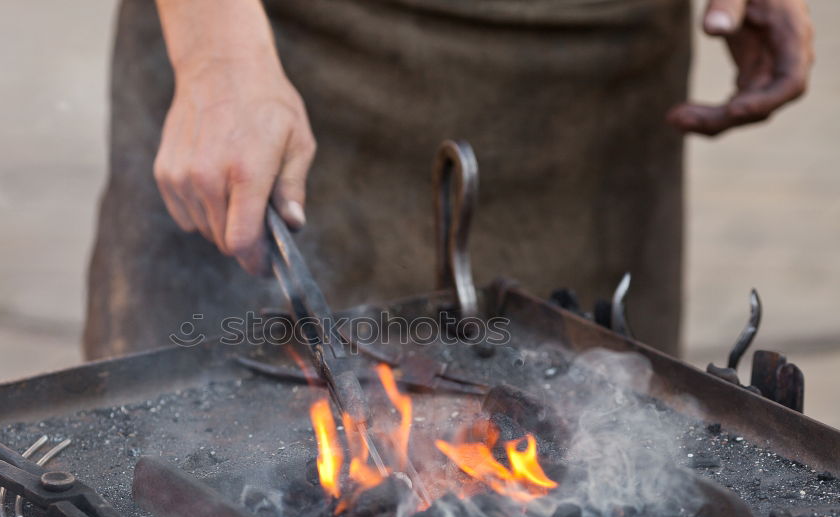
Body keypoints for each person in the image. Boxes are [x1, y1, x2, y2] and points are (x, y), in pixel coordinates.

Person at [84, 0, 813, 360]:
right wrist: (214, 49)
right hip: (282, 42)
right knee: (214, 476)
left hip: (593, 69)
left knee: (591, 457)